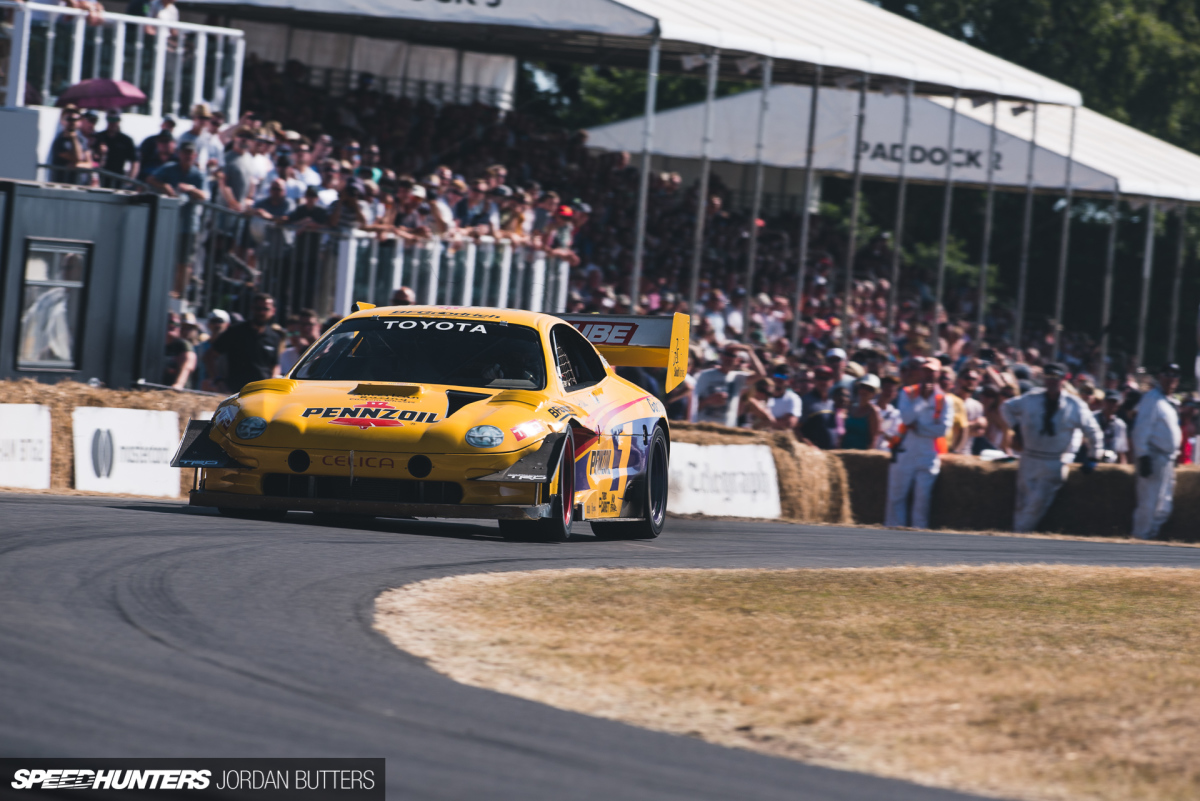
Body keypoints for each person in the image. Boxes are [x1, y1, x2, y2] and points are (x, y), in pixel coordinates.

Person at [1002, 363, 1103, 533]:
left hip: (1053, 461)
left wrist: (1094, 456)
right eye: (1048, 377)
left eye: (1056, 378)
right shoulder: (1031, 398)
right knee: (1022, 502)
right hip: (1028, 457)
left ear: (1064, 379)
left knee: (1037, 502)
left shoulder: (1074, 405)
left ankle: (1018, 535)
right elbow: (1006, 407)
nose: (1052, 382)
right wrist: (1016, 427)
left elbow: (1093, 431)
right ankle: (1016, 535)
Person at [885, 358, 954, 529]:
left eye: (932, 371)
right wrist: (921, 400)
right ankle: (892, 533)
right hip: (905, 452)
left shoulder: (945, 400)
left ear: (938, 374)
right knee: (896, 498)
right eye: (925, 370)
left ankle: (918, 536)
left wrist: (919, 428)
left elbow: (942, 430)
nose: (928, 375)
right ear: (920, 372)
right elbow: (907, 419)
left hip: (928, 455)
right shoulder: (907, 392)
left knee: (922, 501)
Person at [1130, 364, 1182, 540]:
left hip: (1167, 458)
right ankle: (1140, 537)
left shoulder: (1170, 401)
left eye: (1174, 375)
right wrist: (1143, 455)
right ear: (1160, 377)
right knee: (1148, 502)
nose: (1170, 379)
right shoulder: (1152, 398)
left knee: (1164, 505)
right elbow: (1141, 428)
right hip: (1153, 455)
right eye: (1167, 374)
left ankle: (1150, 536)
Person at [208, 293, 283, 392]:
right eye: (258, 308)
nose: (261, 312)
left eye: (265, 309)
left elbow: (275, 364)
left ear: (273, 311)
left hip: (262, 391)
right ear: (252, 308)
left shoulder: (274, 337)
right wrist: (218, 380)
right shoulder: (236, 331)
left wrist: (273, 379)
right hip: (235, 391)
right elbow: (209, 356)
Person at [691, 343, 764, 427]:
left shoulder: (738, 377)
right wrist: (708, 400)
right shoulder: (704, 375)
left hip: (726, 428)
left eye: (732, 356)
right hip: (703, 426)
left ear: (738, 360)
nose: (729, 358)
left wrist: (749, 351)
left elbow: (761, 375)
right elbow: (691, 405)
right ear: (721, 356)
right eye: (727, 354)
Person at [92, 112, 139, 186]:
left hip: (118, 178)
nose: (112, 123)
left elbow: (134, 161)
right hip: (100, 176)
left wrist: (130, 181)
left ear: (119, 121)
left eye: (115, 120)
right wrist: (100, 152)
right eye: (110, 120)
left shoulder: (126, 140)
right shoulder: (99, 137)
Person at [799, 365, 839, 449]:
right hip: (814, 453)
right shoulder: (806, 401)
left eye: (826, 378)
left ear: (832, 381)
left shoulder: (833, 401)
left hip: (832, 452)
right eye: (819, 378)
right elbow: (796, 429)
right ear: (814, 381)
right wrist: (809, 445)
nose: (822, 382)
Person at [49, 107, 88, 184]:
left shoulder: (82, 140)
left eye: (75, 119)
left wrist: (79, 165)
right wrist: (73, 138)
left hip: (79, 184)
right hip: (61, 183)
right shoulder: (60, 141)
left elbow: (89, 163)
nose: (72, 122)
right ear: (63, 121)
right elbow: (78, 157)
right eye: (69, 119)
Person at [842, 374, 881, 450]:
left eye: (870, 389)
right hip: (844, 451)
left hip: (861, 454)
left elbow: (874, 439)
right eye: (862, 386)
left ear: (874, 393)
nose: (865, 391)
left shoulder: (873, 411)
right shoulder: (850, 407)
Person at [163, 313, 196, 389]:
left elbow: (187, 366)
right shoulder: (159, 343)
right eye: (170, 322)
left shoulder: (183, 345)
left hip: (178, 392)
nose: (172, 326)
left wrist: (178, 384)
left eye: (176, 324)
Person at [1096, 390, 1129, 464]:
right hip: (1092, 460)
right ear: (1104, 402)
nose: (1111, 405)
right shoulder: (1093, 419)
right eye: (1109, 402)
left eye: (1114, 402)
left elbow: (1121, 451)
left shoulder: (1120, 425)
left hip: (1111, 462)